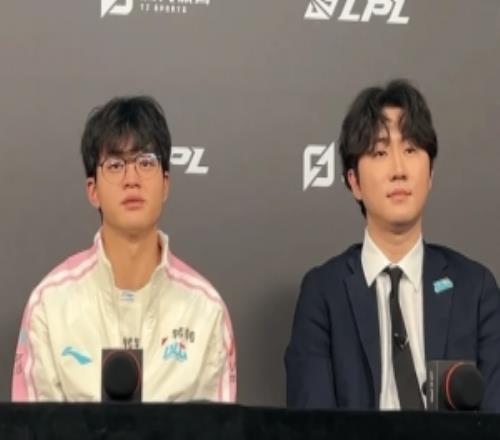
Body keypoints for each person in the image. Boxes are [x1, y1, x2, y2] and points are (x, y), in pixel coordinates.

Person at [285, 79, 500, 410]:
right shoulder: (324, 295)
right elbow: (313, 425)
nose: (399, 169)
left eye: (411, 149)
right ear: (354, 182)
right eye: (380, 152)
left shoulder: (475, 290)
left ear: (430, 174)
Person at [12, 96, 236, 402]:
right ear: (93, 190)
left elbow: (219, 425)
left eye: (146, 162)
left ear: (165, 184)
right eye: (115, 165)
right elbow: (32, 425)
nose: (132, 179)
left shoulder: (205, 310)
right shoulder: (50, 305)